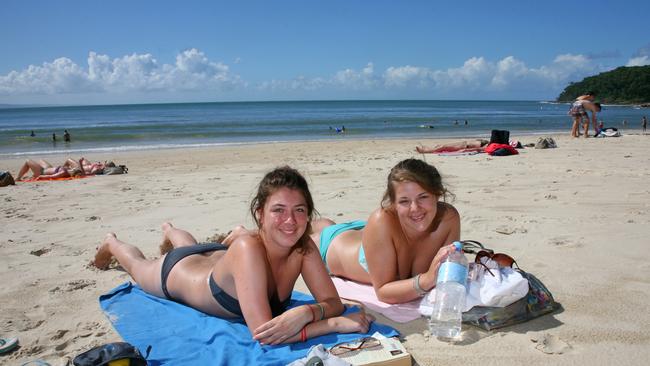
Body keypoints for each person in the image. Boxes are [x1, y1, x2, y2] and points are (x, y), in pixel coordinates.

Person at [92, 166, 373, 344]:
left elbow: (332, 301)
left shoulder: (303, 247)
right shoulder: (247, 246)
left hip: (216, 256)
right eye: (279, 210)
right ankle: (112, 242)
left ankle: (170, 229)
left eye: (299, 210)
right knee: (138, 265)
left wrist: (308, 310)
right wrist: (332, 323)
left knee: (190, 245)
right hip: (178, 274)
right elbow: (264, 332)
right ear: (260, 213)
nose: (291, 220)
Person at [310, 158, 460, 304]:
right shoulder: (381, 220)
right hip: (331, 244)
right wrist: (426, 280)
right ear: (393, 204)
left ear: (437, 194)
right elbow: (383, 292)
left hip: (368, 233)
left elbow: (449, 272)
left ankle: (326, 224)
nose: (415, 208)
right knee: (312, 232)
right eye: (404, 201)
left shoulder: (448, 220)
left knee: (326, 224)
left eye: (423, 197)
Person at [15, 159, 83, 181]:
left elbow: (52, 176)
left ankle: (18, 178)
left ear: (73, 171)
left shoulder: (63, 172)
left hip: (41, 172)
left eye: (74, 169)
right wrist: (80, 162)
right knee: (41, 160)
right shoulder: (68, 170)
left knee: (28, 161)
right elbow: (80, 171)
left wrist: (39, 177)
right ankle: (33, 174)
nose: (74, 167)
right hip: (48, 168)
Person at [416, 139, 489, 154]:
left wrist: (466, 150)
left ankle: (425, 151)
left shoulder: (486, 146)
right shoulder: (486, 142)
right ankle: (429, 149)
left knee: (443, 147)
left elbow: (477, 149)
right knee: (440, 146)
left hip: (464, 146)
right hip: (463, 143)